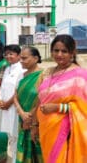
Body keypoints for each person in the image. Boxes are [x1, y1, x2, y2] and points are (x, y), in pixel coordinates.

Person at [32, 34, 87, 162]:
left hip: (68, 130)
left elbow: (83, 107)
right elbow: (40, 100)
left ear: (72, 53)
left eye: (64, 51)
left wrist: (58, 107)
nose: (59, 54)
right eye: (56, 50)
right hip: (46, 128)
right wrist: (35, 125)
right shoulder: (47, 72)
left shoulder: (80, 75)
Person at [13, 47, 44, 163]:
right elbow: (15, 96)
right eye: (20, 58)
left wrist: (29, 118)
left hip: (36, 121)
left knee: (38, 150)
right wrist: (21, 113)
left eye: (24, 58)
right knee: (23, 148)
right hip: (22, 118)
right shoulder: (22, 75)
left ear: (35, 58)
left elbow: (42, 99)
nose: (21, 60)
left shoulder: (43, 75)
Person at [0, 44, 25, 163]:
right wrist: (1, 100)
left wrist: (9, 103)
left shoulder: (21, 69)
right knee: (10, 135)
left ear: (19, 56)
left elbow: (18, 90)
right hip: (5, 108)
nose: (8, 56)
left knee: (16, 136)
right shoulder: (7, 68)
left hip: (15, 108)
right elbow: (3, 86)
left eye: (11, 54)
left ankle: (16, 160)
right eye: (7, 54)